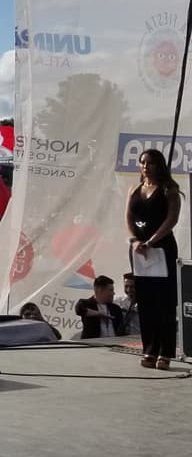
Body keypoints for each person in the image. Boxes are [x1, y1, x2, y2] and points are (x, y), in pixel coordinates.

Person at [126, 148, 182, 369]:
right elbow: (128, 217)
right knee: (146, 301)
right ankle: (149, 349)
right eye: (142, 162)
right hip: (139, 251)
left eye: (150, 163)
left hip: (161, 249)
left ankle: (165, 352)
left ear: (159, 165)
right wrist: (134, 240)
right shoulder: (135, 189)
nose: (145, 166)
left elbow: (172, 219)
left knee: (164, 302)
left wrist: (151, 241)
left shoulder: (169, 190)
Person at [74, 275, 124, 340]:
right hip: (93, 346)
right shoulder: (86, 303)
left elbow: (121, 329)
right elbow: (79, 310)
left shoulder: (116, 308)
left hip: (114, 345)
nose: (113, 293)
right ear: (99, 290)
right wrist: (99, 314)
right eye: (110, 290)